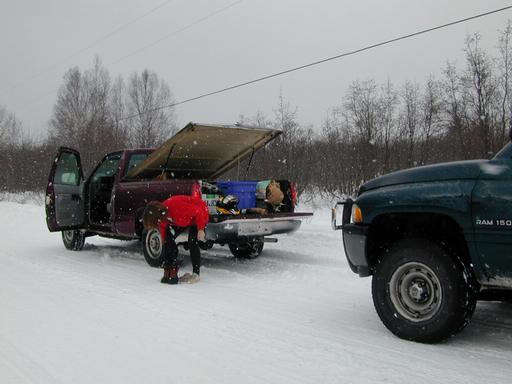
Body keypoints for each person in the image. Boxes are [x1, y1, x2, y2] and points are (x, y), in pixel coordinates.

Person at [142, 195, 209, 285]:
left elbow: (198, 211)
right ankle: (170, 269)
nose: (157, 223)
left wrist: (200, 229)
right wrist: (165, 242)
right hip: (182, 219)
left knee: (192, 241)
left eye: (156, 221)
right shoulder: (162, 216)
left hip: (200, 214)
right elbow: (163, 228)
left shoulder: (176, 207)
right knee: (168, 241)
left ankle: (196, 274)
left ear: (158, 215)